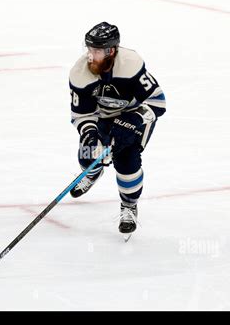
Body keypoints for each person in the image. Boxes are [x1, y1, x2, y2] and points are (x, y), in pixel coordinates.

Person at [68, 21, 166, 236]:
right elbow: (82, 113)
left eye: (96, 50)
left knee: (126, 162)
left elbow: (158, 102)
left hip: (135, 116)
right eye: (89, 49)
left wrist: (131, 122)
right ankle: (93, 172)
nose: (90, 55)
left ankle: (129, 205)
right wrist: (89, 133)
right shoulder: (79, 73)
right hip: (104, 117)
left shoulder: (130, 64)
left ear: (111, 51)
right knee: (87, 155)